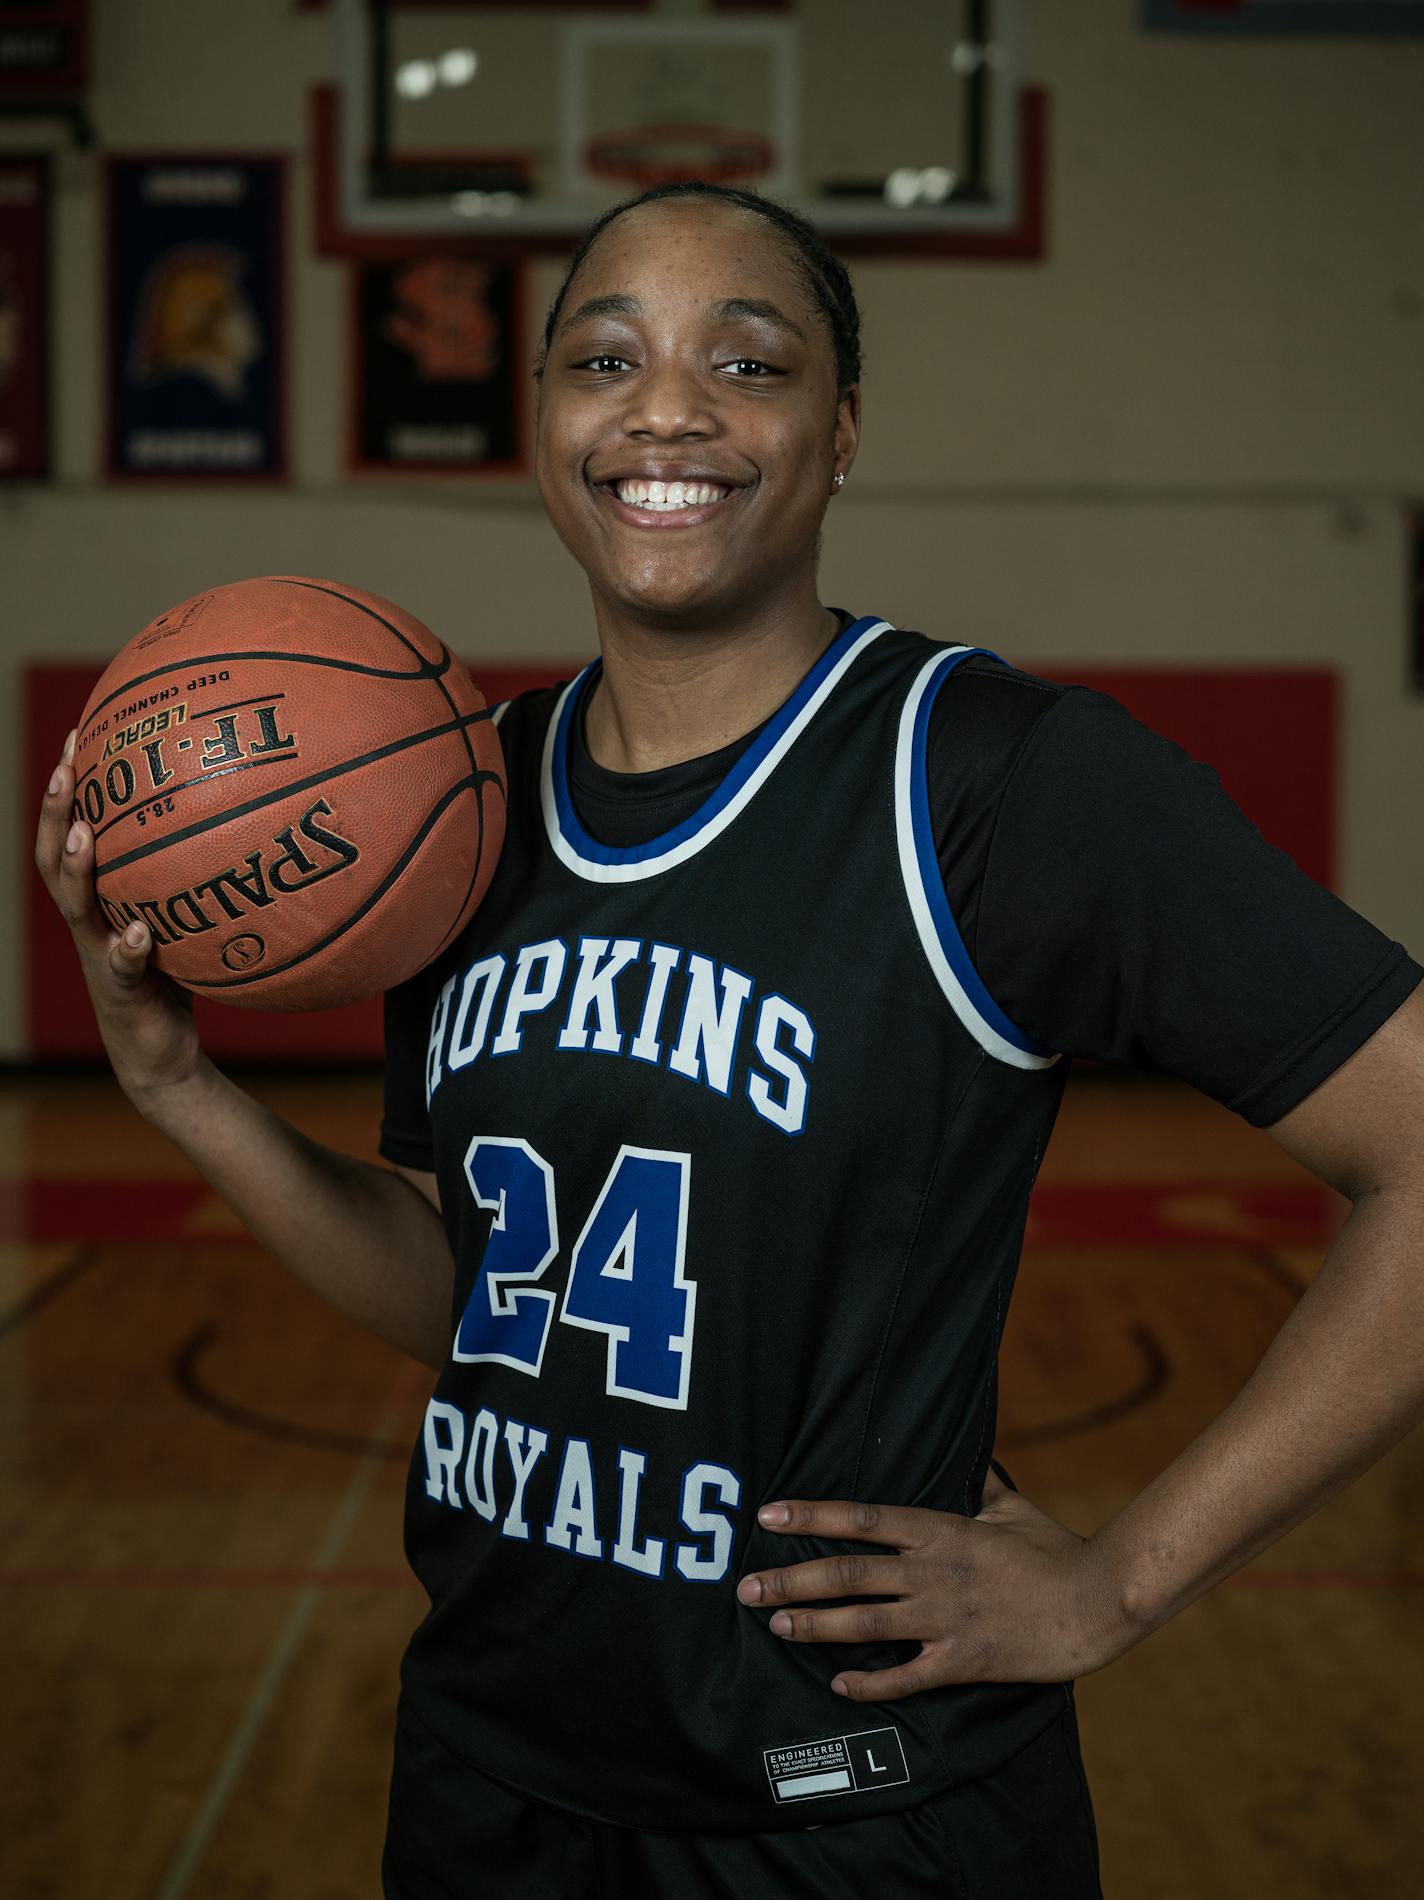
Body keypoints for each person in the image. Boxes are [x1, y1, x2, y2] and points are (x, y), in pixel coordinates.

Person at [37, 181, 1424, 1899]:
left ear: (841, 434)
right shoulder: (458, 805)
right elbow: (478, 1295)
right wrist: (179, 1089)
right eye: (603, 356)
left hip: (849, 1811)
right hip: (490, 1767)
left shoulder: (995, 781)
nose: (666, 407)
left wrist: (1121, 1579)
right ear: (544, 425)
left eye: (747, 362)